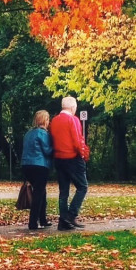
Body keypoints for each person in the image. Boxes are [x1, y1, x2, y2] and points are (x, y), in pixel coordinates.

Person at [49, 96, 89, 230]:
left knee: (63, 191)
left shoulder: (54, 121)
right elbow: (77, 140)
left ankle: (63, 221)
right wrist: (83, 154)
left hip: (58, 158)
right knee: (82, 187)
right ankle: (71, 215)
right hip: (72, 157)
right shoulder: (73, 119)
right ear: (72, 107)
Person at [21, 109, 53, 231]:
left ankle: (43, 219)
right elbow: (47, 150)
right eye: (48, 119)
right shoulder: (43, 134)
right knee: (38, 193)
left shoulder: (28, 133)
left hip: (26, 165)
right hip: (40, 165)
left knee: (41, 192)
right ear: (45, 120)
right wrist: (56, 147)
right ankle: (33, 222)